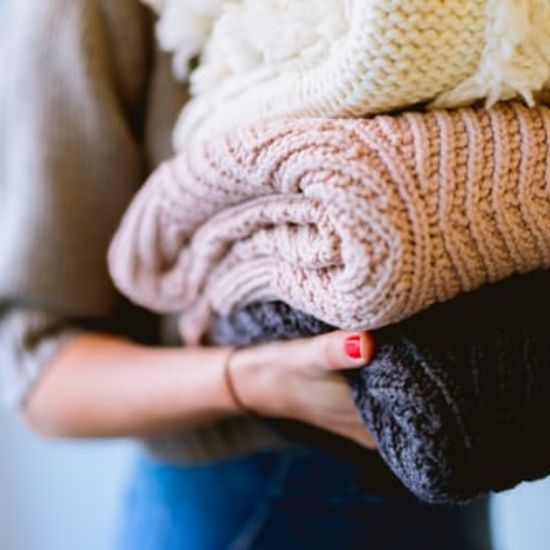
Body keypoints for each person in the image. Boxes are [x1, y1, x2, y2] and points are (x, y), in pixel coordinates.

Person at [0, 1, 491, 548]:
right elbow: (39, 372)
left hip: (450, 469)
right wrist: (251, 380)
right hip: (252, 498)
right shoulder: (81, 13)